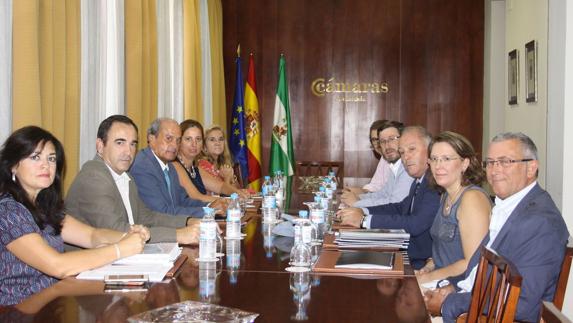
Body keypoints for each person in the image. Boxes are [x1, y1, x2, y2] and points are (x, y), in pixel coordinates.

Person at [424, 132, 569, 323]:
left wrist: (448, 302)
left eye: (505, 161)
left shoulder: (540, 222)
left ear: (531, 167)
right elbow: (478, 271)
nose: (494, 170)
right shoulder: (509, 206)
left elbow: (522, 304)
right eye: (490, 162)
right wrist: (451, 287)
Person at [0, 126, 147, 305]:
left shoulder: (44, 207)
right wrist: (120, 249)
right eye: (35, 157)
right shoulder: (8, 212)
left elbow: (92, 236)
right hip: (17, 310)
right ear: (14, 165)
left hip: (53, 301)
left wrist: (130, 236)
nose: (45, 165)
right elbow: (58, 266)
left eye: (51, 158)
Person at [65, 115, 201, 244]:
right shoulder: (94, 178)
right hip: (90, 264)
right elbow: (116, 231)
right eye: (120, 143)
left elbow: (147, 217)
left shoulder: (125, 176)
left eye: (132, 144)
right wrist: (179, 234)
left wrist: (188, 222)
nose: (128, 152)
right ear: (100, 146)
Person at [338, 126, 441, 269]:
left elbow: (416, 224)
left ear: (430, 151)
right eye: (402, 152)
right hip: (403, 253)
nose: (406, 157)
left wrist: (364, 220)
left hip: (419, 263)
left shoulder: (434, 183)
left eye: (412, 149)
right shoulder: (420, 180)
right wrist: (363, 211)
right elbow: (399, 207)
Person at [417, 131, 491, 286]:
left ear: (464, 163)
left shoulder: (472, 199)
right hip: (440, 279)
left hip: (460, 287)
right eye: (435, 159)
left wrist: (429, 278)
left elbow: (472, 262)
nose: (438, 166)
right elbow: (444, 252)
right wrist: (429, 267)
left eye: (446, 159)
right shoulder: (445, 195)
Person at [130, 118, 207, 217]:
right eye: (169, 138)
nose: (174, 145)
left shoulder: (169, 165)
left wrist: (211, 207)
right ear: (151, 139)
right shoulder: (143, 167)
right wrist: (207, 212)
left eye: (178, 140)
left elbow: (182, 201)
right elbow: (162, 212)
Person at [341, 121, 413, 207]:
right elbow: (382, 194)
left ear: (404, 140)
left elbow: (396, 204)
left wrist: (357, 203)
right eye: (382, 141)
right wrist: (359, 198)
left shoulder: (408, 166)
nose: (387, 145)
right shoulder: (395, 165)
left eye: (392, 139)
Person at [174, 119, 247, 201]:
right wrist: (229, 200)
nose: (194, 144)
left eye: (198, 139)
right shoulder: (176, 165)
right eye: (188, 139)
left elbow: (221, 187)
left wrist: (239, 193)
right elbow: (196, 197)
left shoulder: (194, 169)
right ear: (179, 142)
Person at [345, 119, 391, 195]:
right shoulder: (383, 158)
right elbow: (375, 185)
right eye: (374, 140)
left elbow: (389, 196)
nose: (377, 144)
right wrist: (360, 191)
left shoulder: (401, 161)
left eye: (381, 139)